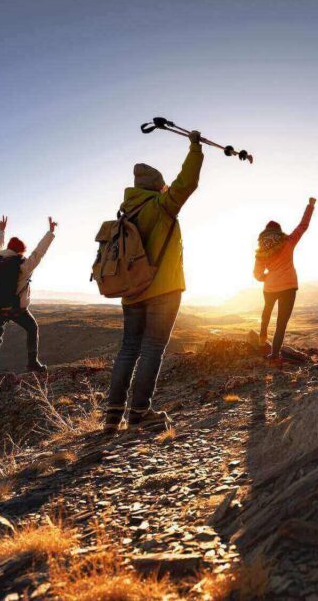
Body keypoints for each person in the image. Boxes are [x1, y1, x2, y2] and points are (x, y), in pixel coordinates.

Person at [104, 130, 204, 434]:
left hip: (131, 292)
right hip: (163, 289)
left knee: (128, 348)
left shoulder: (126, 213)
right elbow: (187, 183)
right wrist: (196, 149)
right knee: (152, 348)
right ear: (156, 186)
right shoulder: (160, 206)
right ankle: (140, 413)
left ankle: (112, 417)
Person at [0, 215, 56, 375]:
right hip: (15, 309)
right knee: (32, 328)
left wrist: (1, 231)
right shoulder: (24, 265)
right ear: (21, 250)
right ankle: (32, 363)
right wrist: (50, 233)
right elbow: (39, 252)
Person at [253, 197, 316, 362]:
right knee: (281, 323)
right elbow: (303, 226)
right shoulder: (288, 241)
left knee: (267, 310)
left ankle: (262, 337)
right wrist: (310, 206)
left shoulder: (261, 250)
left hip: (270, 287)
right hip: (288, 287)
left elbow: (257, 274)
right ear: (279, 231)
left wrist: (266, 277)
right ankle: (274, 354)